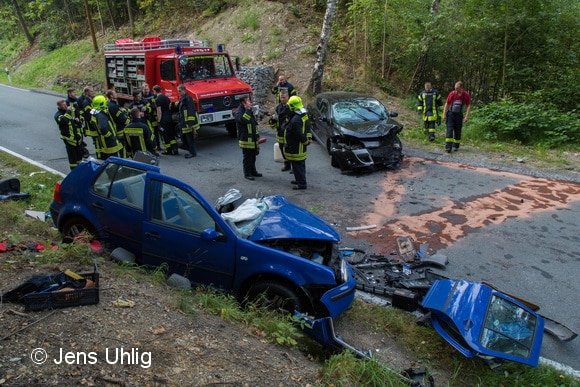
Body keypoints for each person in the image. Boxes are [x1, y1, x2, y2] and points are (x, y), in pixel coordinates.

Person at [284, 96, 311, 190]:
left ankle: (301, 184)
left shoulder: (295, 120)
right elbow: (308, 127)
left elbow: (299, 133)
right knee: (299, 165)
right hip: (300, 146)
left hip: (296, 146)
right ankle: (299, 179)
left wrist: (305, 141)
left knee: (297, 165)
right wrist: (308, 138)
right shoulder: (303, 115)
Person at [235, 96, 262, 180]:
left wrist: (257, 136)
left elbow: (253, 124)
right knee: (247, 158)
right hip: (245, 140)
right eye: (248, 101)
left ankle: (253, 171)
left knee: (253, 156)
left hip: (252, 139)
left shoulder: (249, 110)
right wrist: (247, 110)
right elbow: (244, 120)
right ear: (243, 103)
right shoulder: (239, 112)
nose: (250, 103)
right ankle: (247, 173)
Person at [54, 100, 84, 170]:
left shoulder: (71, 112)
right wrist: (68, 112)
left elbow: (78, 120)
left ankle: (80, 170)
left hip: (77, 138)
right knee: (73, 160)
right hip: (69, 140)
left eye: (65, 104)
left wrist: (78, 120)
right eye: (63, 105)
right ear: (59, 106)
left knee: (79, 158)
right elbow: (64, 121)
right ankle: (74, 173)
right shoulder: (58, 115)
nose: (65, 106)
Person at [90, 95, 123, 160]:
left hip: (105, 142)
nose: (106, 102)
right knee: (113, 160)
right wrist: (110, 136)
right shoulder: (101, 116)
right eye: (105, 101)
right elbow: (103, 128)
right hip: (109, 143)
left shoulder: (95, 113)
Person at [443, 81, 471, 153]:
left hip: (459, 115)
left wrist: (466, 116)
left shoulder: (466, 95)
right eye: (455, 88)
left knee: (458, 131)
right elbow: (447, 104)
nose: (456, 89)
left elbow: (468, 105)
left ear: (461, 88)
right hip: (451, 114)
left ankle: (456, 145)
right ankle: (448, 147)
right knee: (449, 130)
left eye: (457, 88)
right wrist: (444, 114)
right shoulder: (452, 94)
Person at [153, 85, 179, 155]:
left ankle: (168, 150)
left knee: (165, 135)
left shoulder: (157, 99)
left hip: (163, 119)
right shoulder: (166, 97)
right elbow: (170, 106)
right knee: (171, 134)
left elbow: (159, 111)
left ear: (155, 91)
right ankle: (175, 148)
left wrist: (158, 121)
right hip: (169, 117)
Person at [177, 84, 200, 158]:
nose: (179, 93)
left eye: (180, 91)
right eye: (178, 91)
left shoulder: (188, 99)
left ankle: (192, 153)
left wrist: (190, 123)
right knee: (184, 138)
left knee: (190, 139)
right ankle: (190, 151)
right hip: (184, 122)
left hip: (188, 123)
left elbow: (191, 111)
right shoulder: (183, 99)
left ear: (184, 90)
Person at [106, 89, 130, 158]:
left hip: (116, 128)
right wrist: (129, 122)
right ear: (111, 96)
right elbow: (121, 118)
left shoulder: (109, 104)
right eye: (115, 93)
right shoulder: (113, 106)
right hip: (120, 129)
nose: (116, 94)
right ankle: (124, 162)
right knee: (124, 147)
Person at [273, 89, 292, 172]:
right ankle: (287, 165)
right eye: (281, 97)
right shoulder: (278, 107)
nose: (282, 99)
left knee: (291, 150)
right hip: (280, 133)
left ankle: (294, 166)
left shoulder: (291, 106)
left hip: (288, 133)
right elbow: (276, 119)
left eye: (284, 97)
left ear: (288, 97)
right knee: (282, 149)